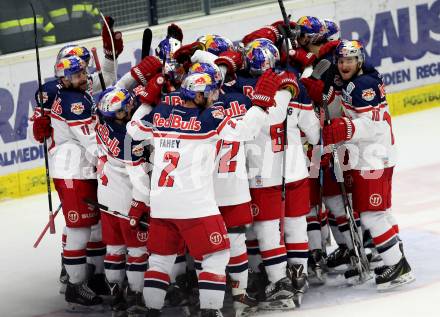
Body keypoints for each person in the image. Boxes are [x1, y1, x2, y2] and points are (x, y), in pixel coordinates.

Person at [125, 68, 292, 317]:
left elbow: (133, 129)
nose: (215, 94)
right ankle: (210, 311)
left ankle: (151, 311)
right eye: (210, 91)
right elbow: (246, 131)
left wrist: (147, 102)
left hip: (161, 204)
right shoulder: (210, 118)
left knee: (160, 260)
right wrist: (259, 104)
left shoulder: (161, 112)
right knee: (217, 254)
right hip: (194, 205)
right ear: (197, 95)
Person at [322, 40, 415, 290]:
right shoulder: (357, 81)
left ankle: (398, 265)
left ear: (359, 60)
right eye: (341, 61)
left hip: (374, 157)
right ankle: (396, 253)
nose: (344, 65)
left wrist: (346, 127)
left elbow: (375, 126)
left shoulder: (365, 85)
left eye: (349, 60)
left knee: (372, 216)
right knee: (380, 212)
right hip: (372, 155)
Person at [42, 55, 102, 309]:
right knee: (79, 229)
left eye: (84, 72)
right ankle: (75, 286)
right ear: (63, 78)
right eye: (78, 74)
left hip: (79, 170)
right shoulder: (73, 101)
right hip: (72, 171)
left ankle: (91, 279)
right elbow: (90, 142)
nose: (84, 77)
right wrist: (112, 159)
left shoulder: (75, 94)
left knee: (92, 224)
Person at [95, 87, 151, 315]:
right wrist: (140, 204)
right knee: (137, 251)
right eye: (123, 109)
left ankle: (116, 293)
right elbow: (140, 180)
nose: (129, 108)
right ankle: (136, 295)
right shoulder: (128, 140)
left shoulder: (101, 124)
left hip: (106, 198)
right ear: (114, 115)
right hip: (128, 203)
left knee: (114, 249)